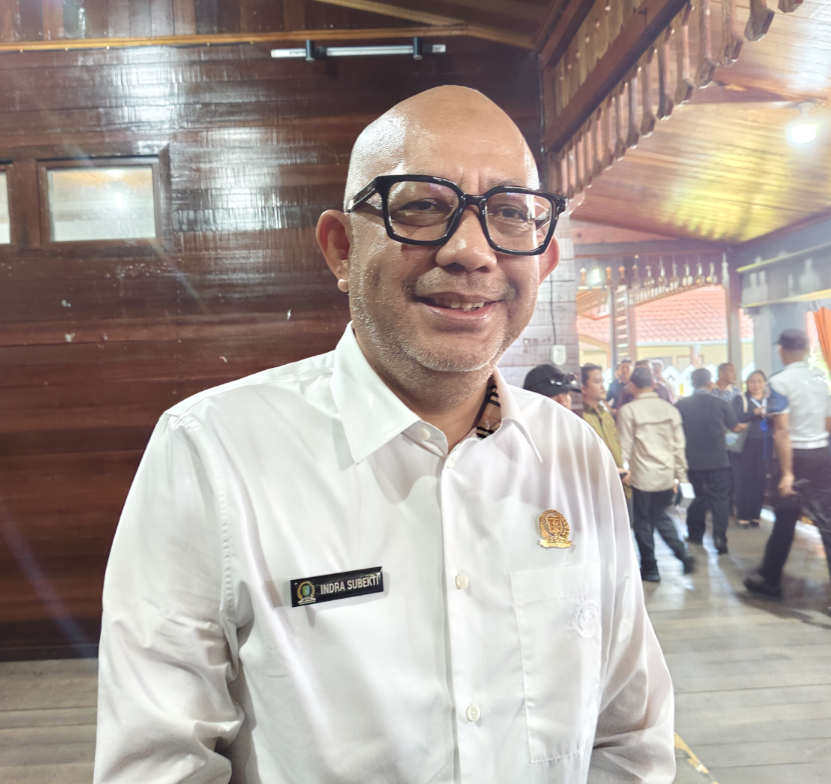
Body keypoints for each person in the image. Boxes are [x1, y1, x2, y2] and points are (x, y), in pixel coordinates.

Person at [94, 87, 675, 783]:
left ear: (543, 263)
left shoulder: (574, 454)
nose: (471, 251)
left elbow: (627, 735)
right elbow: (159, 767)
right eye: (422, 205)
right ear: (341, 248)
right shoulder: (212, 451)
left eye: (510, 213)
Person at [744, 329, 831, 599]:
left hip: (794, 457)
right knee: (827, 524)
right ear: (805, 349)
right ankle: (769, 574)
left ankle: (770, 581)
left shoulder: (779, 382)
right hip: (822, 455)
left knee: (784, 519)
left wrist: (787, 474)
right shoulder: (820, 379)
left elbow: (782, 430)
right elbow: (828, 423)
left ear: (781, 350)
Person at [618, 367, 694, 582]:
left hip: (642, 477)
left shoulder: (628, 411)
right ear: (653, 384)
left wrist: (622, 471)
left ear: (632, 385)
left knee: (643, 522)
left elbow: (625, 447)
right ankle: (681, 553)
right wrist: (682, 476)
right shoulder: (670, 410)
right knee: (660, 515)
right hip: (666, 476)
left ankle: (650, 568)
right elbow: (679, 446)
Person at [676, 367, 742, 554]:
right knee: (720, 500)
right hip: (718, 460)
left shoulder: (681, 405)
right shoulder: (721, 403)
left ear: (692, 383)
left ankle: (695, 536)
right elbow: (735, 427)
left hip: (692, 461)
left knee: (696, 498)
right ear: (709, 382)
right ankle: (720, 538)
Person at [732, 370, 772, 528]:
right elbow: (733, 419)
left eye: (760, 381)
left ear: (765, 383)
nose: (756, 385)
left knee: (760, 480)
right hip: (745, 445)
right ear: (747, 384)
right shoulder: (740, 400)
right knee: (744, 480)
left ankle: (756, 515)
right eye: (752, 381)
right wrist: (752, 413)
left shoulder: (769, 401)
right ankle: (743, 515)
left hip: (765, 444)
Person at [580, 363, 628, 486]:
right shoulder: (581, 418)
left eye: (602, 381)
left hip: (620, 479)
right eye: (597, 382)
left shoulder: (605, 415)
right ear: (583, 388)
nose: (602, 386)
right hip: (599, 482)